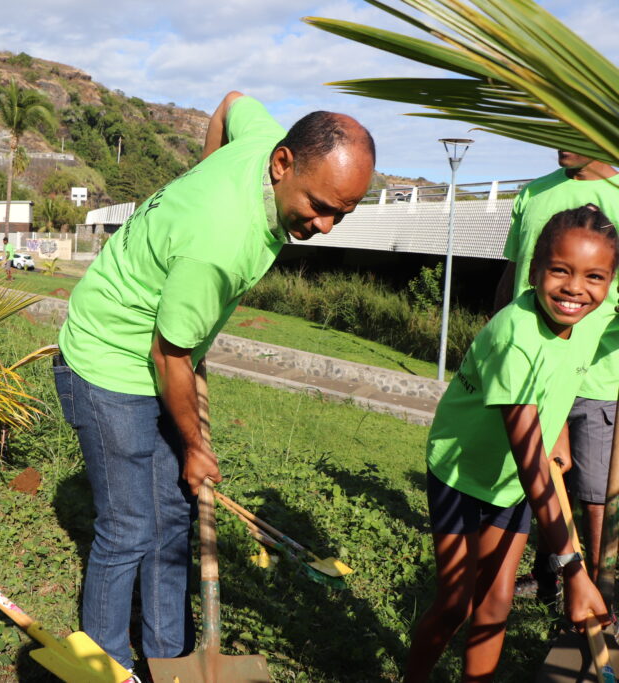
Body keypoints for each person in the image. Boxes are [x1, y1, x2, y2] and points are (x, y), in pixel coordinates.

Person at [54, 91, 374, 670]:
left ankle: (169, 658)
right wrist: (197, 446)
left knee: (173, 515)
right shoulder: (220, 242)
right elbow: (169, 359)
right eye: (320, 206)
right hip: (107, 358)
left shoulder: (263, 141)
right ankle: (103, 667)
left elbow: (231, 103)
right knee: (128, 527)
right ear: (283, 164)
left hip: (155, 352)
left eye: (342, 214)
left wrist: (202, 174)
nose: (325, 226)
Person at [406, 205, 615, 681]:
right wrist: (573, 571)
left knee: (497, 603)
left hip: (512, 483)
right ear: (535, 270)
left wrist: (557, 428)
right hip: (464, 472)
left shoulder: (590, 321)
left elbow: (560, 382)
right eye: (560, 270)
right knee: (456, 601)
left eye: (594, 277)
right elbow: (530, 462)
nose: (575, 289)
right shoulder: (514, 336)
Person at [494, 150, 619, 599]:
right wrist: (492, 343)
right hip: (531, 372)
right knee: (541, 479)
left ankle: (601, 593)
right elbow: (512, 275)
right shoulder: (533, 192)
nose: (558, 138)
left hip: (596, 377)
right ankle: (547, 577)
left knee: (595, 493)